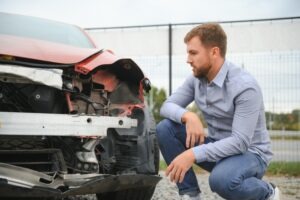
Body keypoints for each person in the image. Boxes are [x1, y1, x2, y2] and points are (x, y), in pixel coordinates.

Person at [156, 23, 281, 200]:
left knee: (221, 180)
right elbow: (166, 106)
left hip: (250, 154)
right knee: (165, 128)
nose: (188, 59)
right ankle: (190, 194)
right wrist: (188, 115)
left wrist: (192, 154)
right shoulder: (196, 79)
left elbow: (240, 142)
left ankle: (267, 192)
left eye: (193, 53)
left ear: (214, 52)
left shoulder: (244, 87)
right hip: (218, 147)